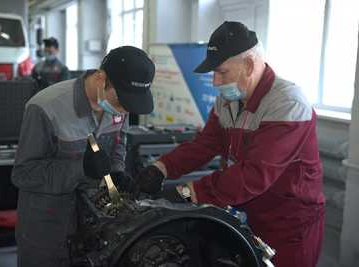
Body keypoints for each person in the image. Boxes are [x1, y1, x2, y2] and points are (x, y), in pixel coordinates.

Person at [135, 21, 325, 267]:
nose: (215, 82)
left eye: (222, 72)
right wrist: (161, 168)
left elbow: (254, 174)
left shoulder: (287, 103)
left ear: (248, 65)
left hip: (289, 225)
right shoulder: (227, 101)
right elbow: (204, 145)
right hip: (247, 214)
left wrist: (187, 192)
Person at [12, 46, 155, 267]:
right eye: (120, 102)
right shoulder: (45, 107)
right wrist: (81, 169)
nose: (123, 111)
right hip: (47, 228)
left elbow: (119, 145)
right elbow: (23, 174)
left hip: (93, 225)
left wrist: (116, 170)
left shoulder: (121, 106)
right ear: (100, 78)